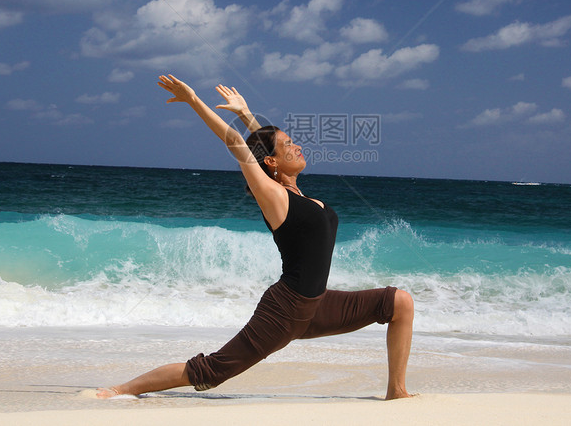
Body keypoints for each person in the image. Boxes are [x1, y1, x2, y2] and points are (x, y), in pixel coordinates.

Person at [96, 74, 413, 400]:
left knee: (399, 303)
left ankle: (396, 391)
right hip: (286, 310)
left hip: (318, 306)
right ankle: (120, 390)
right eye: (289, 145)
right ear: (272, 162)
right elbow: (236, 142)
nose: (297, 146)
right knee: (211, 372)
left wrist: (247, 114)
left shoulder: (296, 191)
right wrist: (193, 100)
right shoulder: (273, 195)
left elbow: (261, 145)